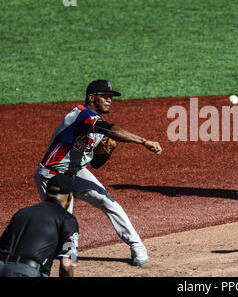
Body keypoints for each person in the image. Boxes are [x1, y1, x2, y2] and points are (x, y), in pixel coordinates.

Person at [34, 79, 163, 266]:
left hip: (77, 172)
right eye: (106, 97)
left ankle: (137, 246)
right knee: (64, 223)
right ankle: (50, 257)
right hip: (53, 174)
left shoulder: (98, 127)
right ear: (92, 97)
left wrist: (106, 152)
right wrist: (143, 141)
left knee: (107, 201)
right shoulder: (81, 115)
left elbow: (96, 164)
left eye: (111, 97)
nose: (110, 100)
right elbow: (111, 130)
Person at [0, 174, 78, 277]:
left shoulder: (22, 213)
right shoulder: (67, 219)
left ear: (46, 192)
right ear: (70, 196)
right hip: (27, 272)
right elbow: (67, 266)